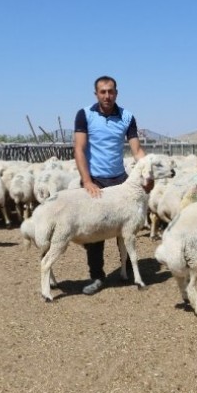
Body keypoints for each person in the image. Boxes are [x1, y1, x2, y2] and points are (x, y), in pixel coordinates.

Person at [73, 75, 147, 296]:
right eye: (103, 91)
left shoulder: (127, 116)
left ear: (117, 92)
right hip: (94, 179)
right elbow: (79, 148)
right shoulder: (85, 114)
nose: (107, 95)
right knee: (95, 230)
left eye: (111, 91)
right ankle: (97, 276)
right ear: (96, 93)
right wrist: (86, 181)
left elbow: (137, 150)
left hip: (119, 179)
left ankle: (125, 269)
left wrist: (147, 170)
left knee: (126, 229)